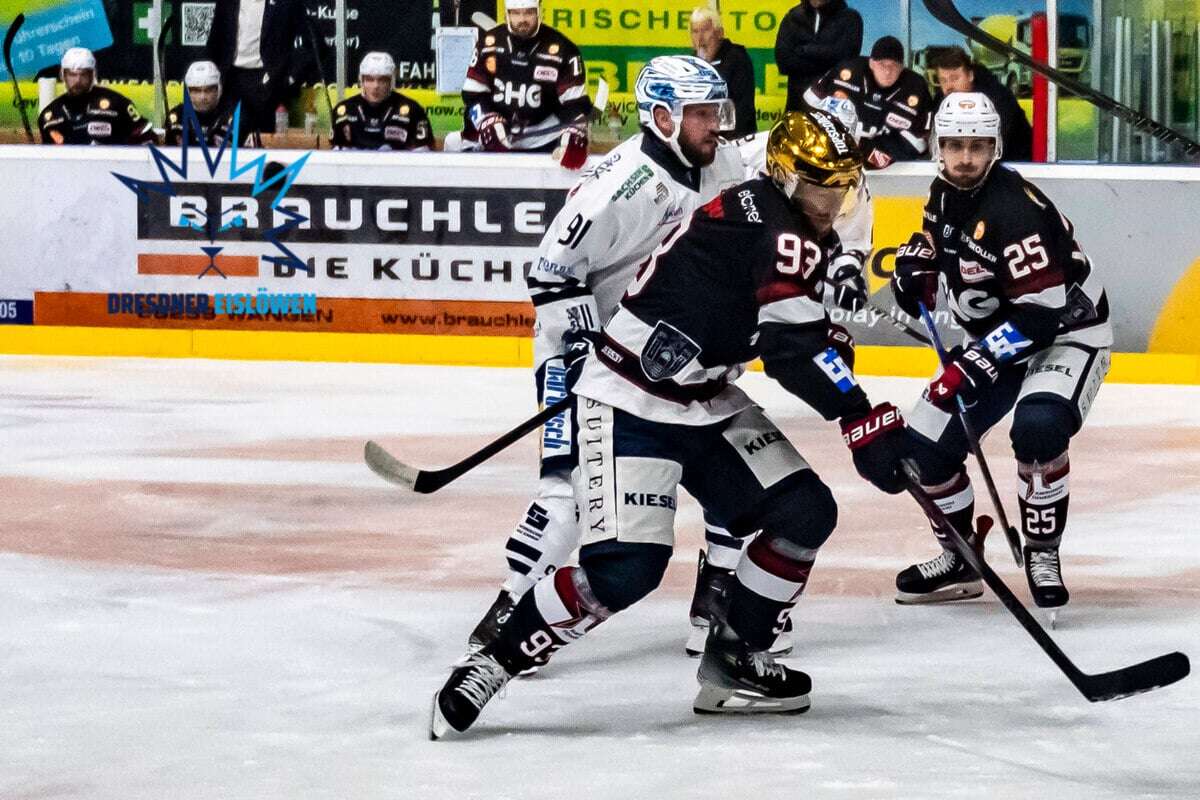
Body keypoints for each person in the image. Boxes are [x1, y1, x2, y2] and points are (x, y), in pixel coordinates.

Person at [430, 108, 910, 737]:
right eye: (823, 184)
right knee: (626, 567)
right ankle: (493, 662)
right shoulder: (773, 223)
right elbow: (792, 352)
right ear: (789, 178)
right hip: (629, 400)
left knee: (804, 511)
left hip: (705, 400)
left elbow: (790, 330)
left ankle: (736, 655)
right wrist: (860, 415)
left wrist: (831, 353)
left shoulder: (786, 221)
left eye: (841, 185)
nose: (835, 199)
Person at [464, 56, 767, 664]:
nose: (716, 125)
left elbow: (777, 157)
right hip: (586, 353)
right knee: (569, 490)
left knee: (731, 476)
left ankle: (715, 600)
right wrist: (584, 348)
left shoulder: (722, 160)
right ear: (662, 118)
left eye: (717, 111)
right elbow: (550, 272)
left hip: (664, 357)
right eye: (702, 114)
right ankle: (512, 604)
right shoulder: (620, 185)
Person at [888, 92, 1111, 608]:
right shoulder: (942, 192)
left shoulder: (1015, 211)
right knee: (922, 450)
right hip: (995, 337)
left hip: (1064, 334)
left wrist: (974, 364)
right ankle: (961, 553)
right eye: (954, 145)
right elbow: (937, 245)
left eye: (978, 146)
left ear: (997, 147)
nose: (965, 158)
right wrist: (916, 267)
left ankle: (1041, 548)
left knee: (1038, 427)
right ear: (936, 147)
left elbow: (1039, 314)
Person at [459, 0, 591, 169]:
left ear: (539, 12)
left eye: (528, 12)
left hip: (545, 140)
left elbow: (575, 104)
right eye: (516, 13)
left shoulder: (564, 50)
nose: (522, 19)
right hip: (495, 137)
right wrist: (486, 120)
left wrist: (575, 131)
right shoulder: (487, 44)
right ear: (507, 14)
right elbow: (472, 94)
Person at [804, 35, 934, 169]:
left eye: (894, 66)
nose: (887, 71)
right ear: (871, 63)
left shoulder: (916, 86)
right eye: (882, 64)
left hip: (888, 171)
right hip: (832, 157)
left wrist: (864, 147)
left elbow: (919, 144)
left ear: (902, 67)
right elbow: (809, 102)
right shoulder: (848, 70)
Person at [205, 0, 312, 136]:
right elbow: (215, 39)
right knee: (226, 138)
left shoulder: (287, 3)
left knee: (265, 143)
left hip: (268, 84)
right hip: (231, 80)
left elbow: (314, 43)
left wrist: (289, 78)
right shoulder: (227, 2)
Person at [932, 48, 1033, 162]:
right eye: (943, 80)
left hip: (1014, 165)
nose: (949, 86)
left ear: (970, 75)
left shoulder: (997, 98)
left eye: (955, 78)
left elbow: (997, 143)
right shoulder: (941, 100)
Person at [39, 48, 156, 145]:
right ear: (62, 75)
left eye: (84, 75)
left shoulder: (117, 103)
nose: (78, 81)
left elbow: (146, 137)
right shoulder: (49, 115)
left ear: (93, 75)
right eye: (72, 75)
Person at [331, 52, 433, 151]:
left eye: (382, 80)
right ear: (361, 81)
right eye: (370, 79)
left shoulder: (413, 110)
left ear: (391, 82)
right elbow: (336, 152)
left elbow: (423, 151)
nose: (376, 86)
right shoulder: (344, 110)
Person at [775, 0, 863, 112]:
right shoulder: (793, 17)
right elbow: (783, 62)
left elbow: (846, 59)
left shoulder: (850, 18)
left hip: (832, 108)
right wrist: (824, 61)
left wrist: (805, 50)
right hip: (797, 106)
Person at [690, 6, 757, 138]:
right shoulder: (692, 63)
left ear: (720, 33)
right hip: (703, 141)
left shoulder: (737, 58)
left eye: (705, 30)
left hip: (734, 140)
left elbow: (742, 109)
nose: (700, 38)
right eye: (695, 31)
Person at [166, 61, 233, 147]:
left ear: (218, 89)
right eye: (196, 91)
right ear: (188, 91)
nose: (203, 97)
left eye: (208, 90)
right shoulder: (177, 116)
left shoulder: (232, 116)